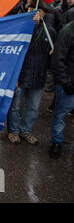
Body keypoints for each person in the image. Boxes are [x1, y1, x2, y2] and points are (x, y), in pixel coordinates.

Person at [6, 1, 56, 146]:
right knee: (15, 106)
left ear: (44, 14)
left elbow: (53, 55)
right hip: (20, 74)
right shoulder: (20, 28)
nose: (34, 12)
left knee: (33, 107)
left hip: (39, 75)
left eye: (39, 10)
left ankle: (25, 130)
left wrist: (53, 53)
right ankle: (13, 131)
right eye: (31, 8)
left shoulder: (49, 32)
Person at [49, 19, 74, 159]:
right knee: (60, 114)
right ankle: (56, 143)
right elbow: (58, 59)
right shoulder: (67, 31)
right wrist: (66, 83)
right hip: (68, 84)